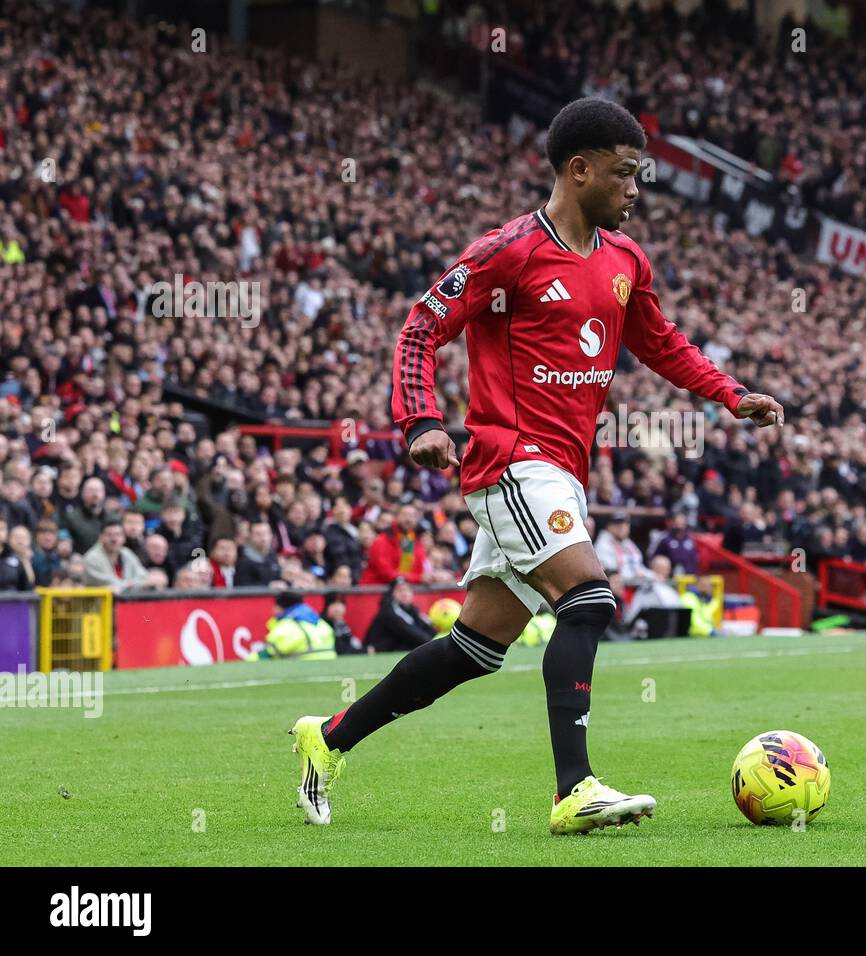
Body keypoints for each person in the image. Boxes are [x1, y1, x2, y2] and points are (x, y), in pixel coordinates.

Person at [288, 97, 784, 833]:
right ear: (577, 170)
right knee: (589, 599)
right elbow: (421, 327)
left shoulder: (625, 261)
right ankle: (574, 790)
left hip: (563, 475)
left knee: (475, 648)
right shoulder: (507, 252)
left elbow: (660, 341)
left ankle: (325, 740)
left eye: (639, 175)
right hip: (509, 461)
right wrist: (421, 420)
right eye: (623, 174)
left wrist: (729, 393)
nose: (634, 190)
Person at [365, 577, 439, 653]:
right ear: (392, 594)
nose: (404, 594)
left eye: (407, 590)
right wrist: (435, 644)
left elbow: (425, 627)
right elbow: (411, 633)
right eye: (400, 590)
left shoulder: (412, 609)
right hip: (378, 653)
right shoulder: (389, 612)